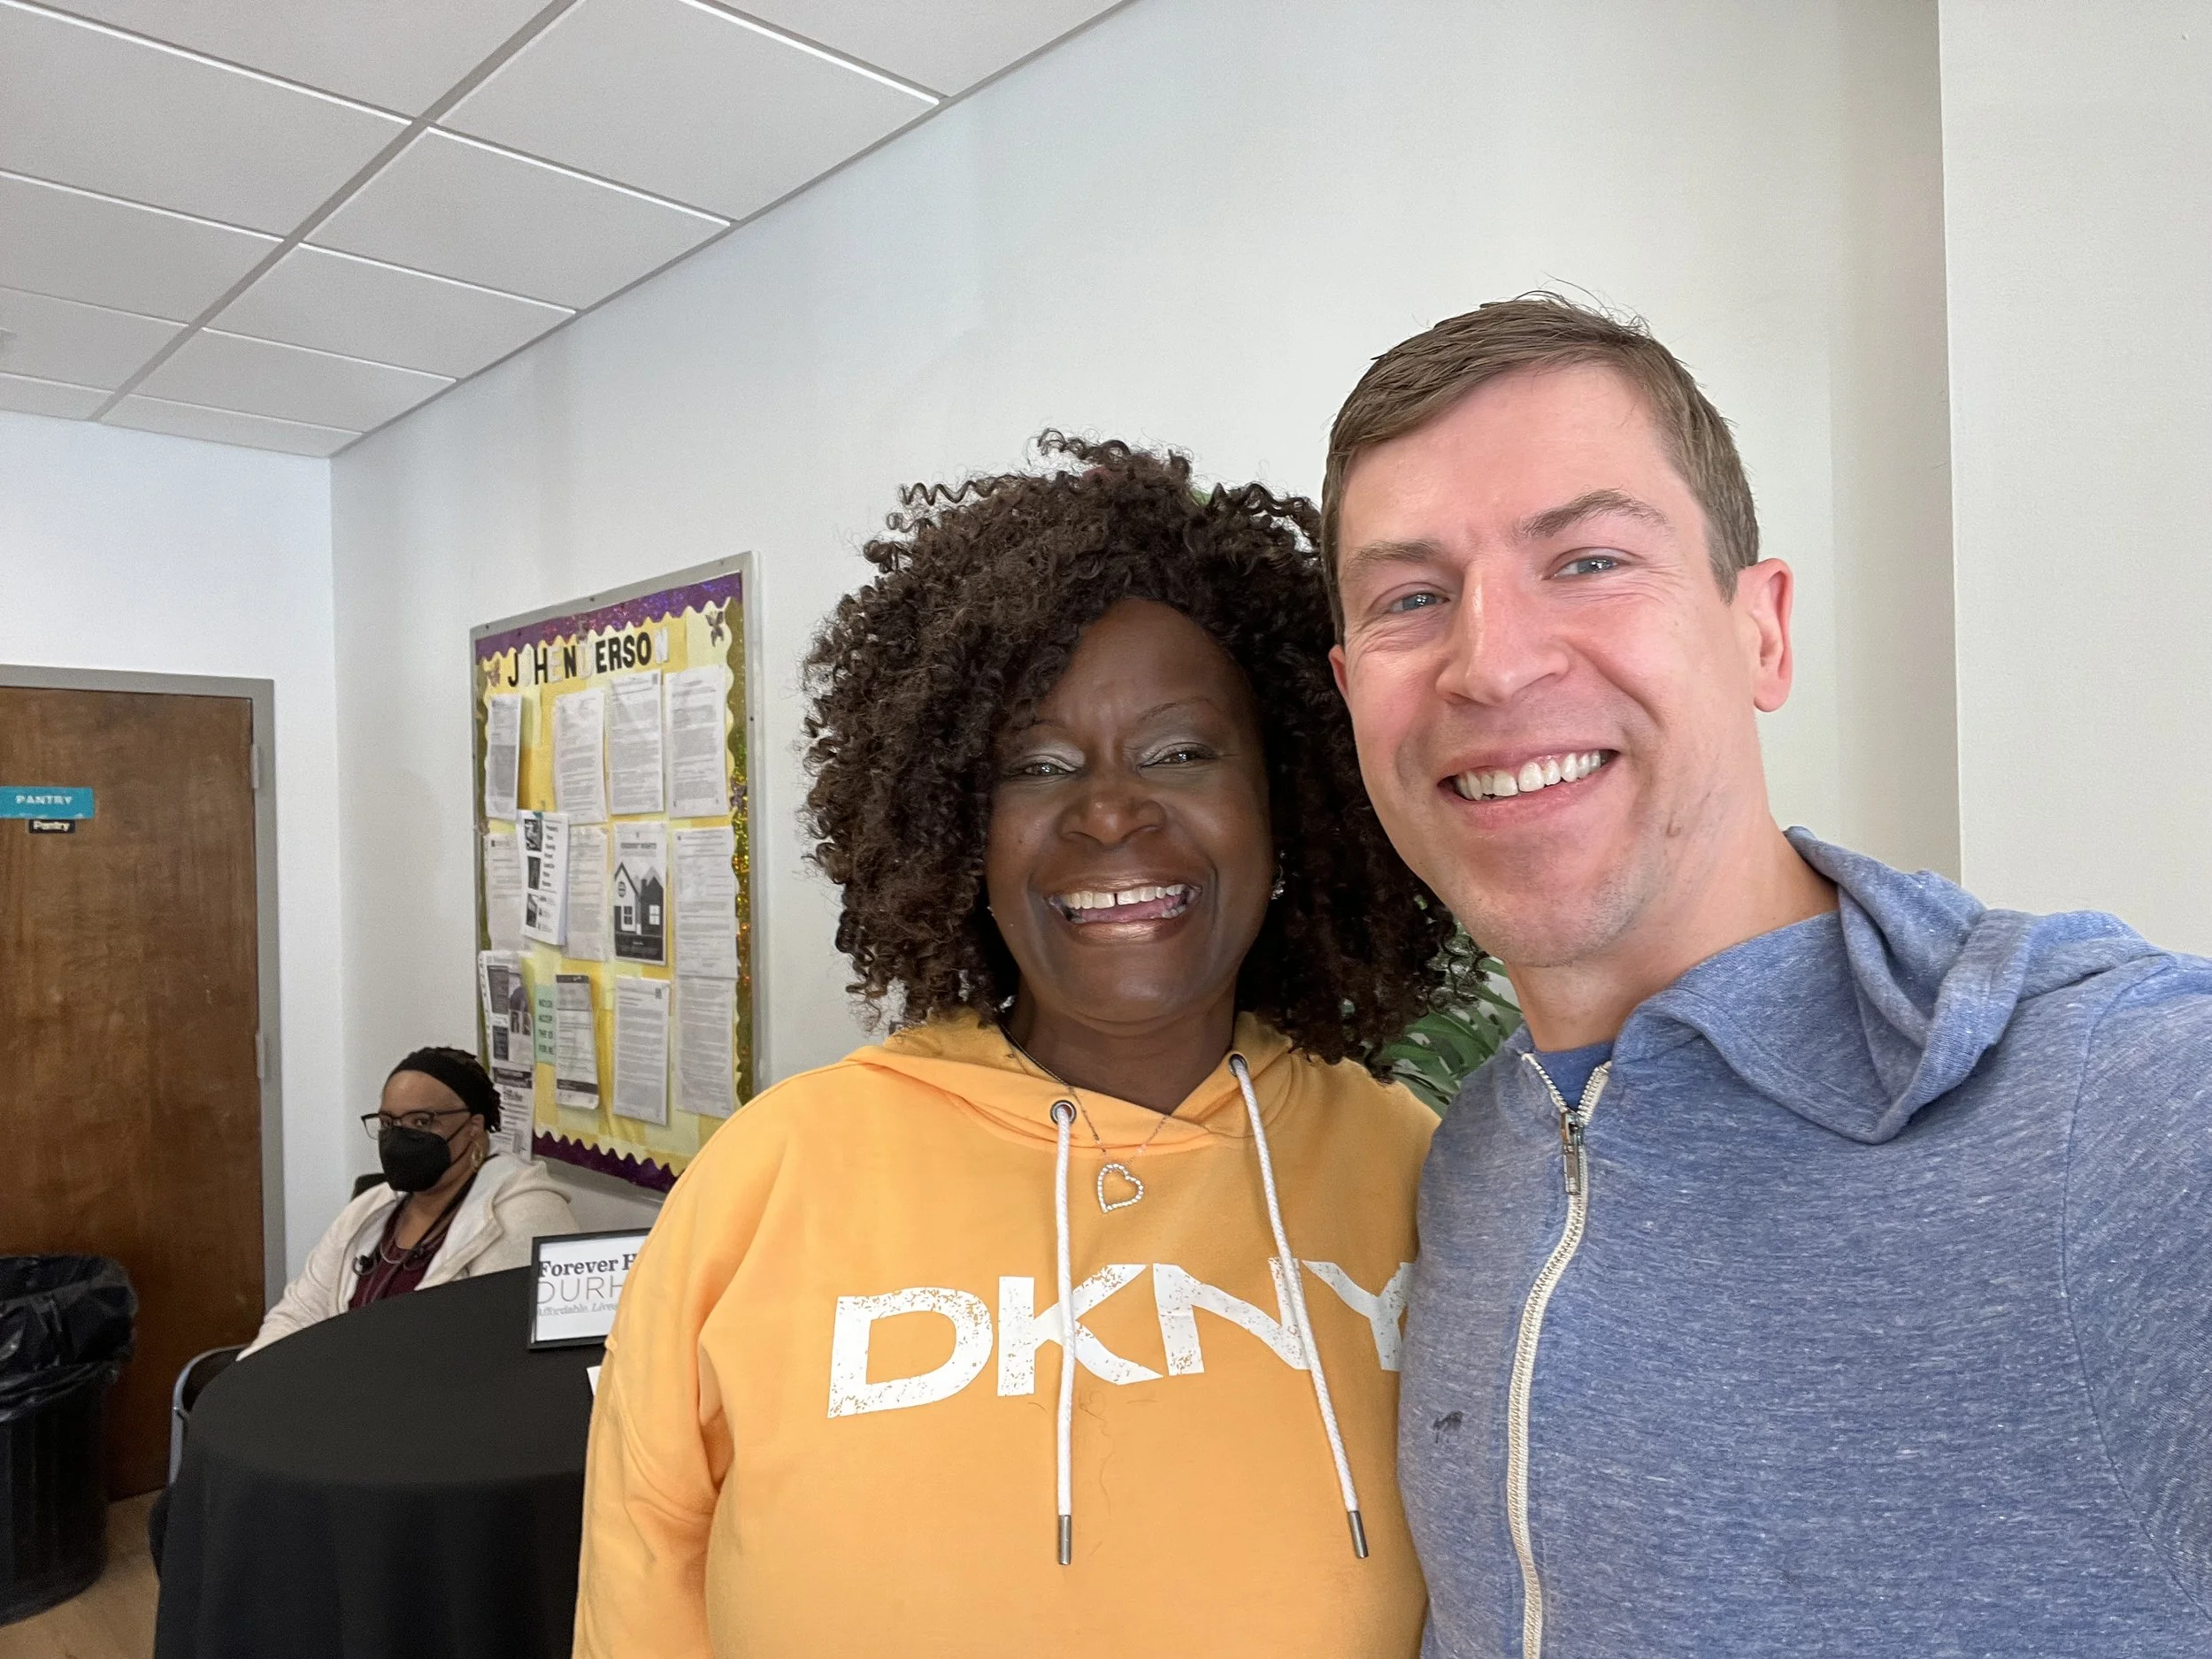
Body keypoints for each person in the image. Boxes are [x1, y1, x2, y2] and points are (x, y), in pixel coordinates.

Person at [1322, 294, 2212, 1656]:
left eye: (1590, 559)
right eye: (1412, 597)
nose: (1490, 663)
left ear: (1763, 632)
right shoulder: (1477, 1157)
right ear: (1349, 693)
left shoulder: (2120, 1113)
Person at [577, 435, 1456, 1656]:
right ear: (957, 833)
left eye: (1181, 751)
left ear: (1289, 801)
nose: (1111, 810)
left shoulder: (1415, 1170)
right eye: (1036, 766)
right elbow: (640, 1592)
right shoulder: (771, 1177)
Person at [240, 1046, 577, 1356]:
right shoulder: (371, 1208)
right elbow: (300, 1312)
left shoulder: (525, 1214)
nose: (399, 1137)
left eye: (421, 1122)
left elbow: (494, 1349)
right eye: (389, 1123)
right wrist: (253, 1379)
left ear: (474, 1127)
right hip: (346, 1385)